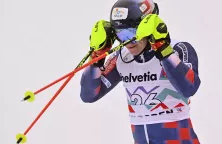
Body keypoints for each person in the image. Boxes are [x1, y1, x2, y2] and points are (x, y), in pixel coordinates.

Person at [80, 0, 201, 143]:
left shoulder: (178, 49)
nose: (128, 42)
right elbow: (88, 95)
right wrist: (97, 57)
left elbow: (189, 88)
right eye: (121, 35)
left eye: (133, 33)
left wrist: (163, 49)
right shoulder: (121, 57)